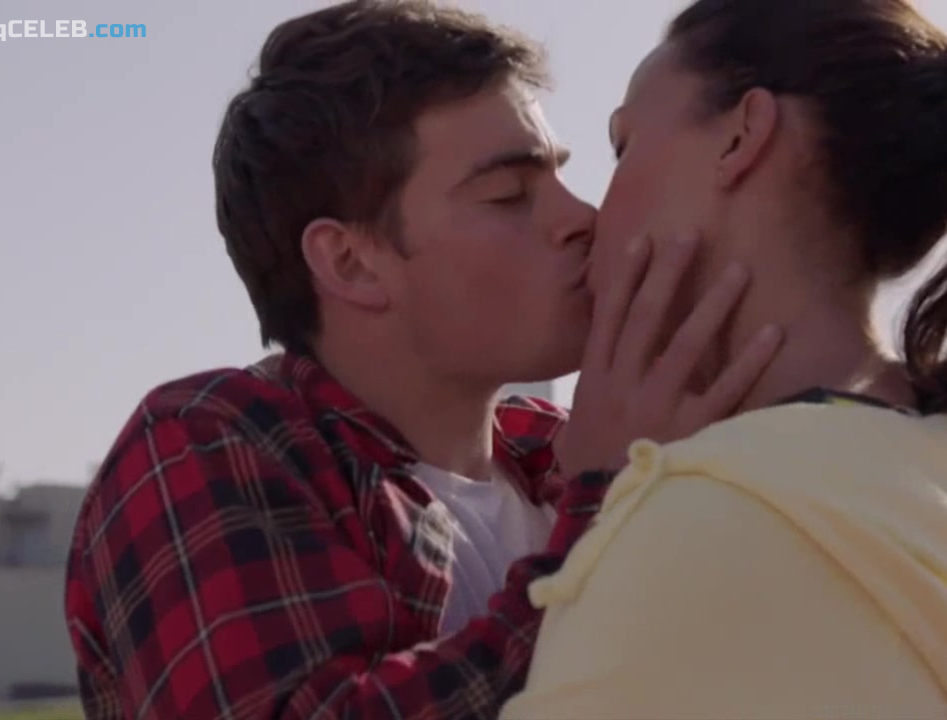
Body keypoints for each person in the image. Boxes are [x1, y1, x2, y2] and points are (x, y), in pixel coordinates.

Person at [63, 2, 781, 718]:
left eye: (561, 178)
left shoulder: (567, 453)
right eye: (508, 195)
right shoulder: (207, 442)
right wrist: (607, 509)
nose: (581, 218)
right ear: (351, 263)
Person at [501, 1, 947, 718]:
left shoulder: (697, 523)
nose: (592, 214)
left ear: (742, 136)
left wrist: (598, 500)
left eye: (623, 147)